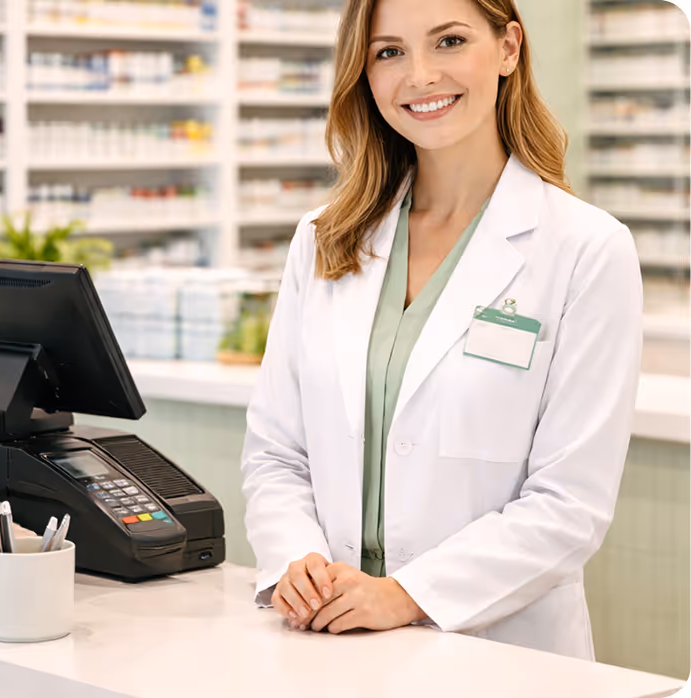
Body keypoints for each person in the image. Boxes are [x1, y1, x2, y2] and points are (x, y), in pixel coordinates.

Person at [241, 0, 643, 660]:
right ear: (363, 74)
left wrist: (407, 593)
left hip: (497, 652)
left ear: (508, 48)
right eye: (388, 51)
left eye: (449, 41)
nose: (419, 75)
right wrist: (297, 560)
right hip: (327, 644)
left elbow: (569, 503)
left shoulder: (585, 248)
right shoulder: (325, 238)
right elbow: (276, 451)